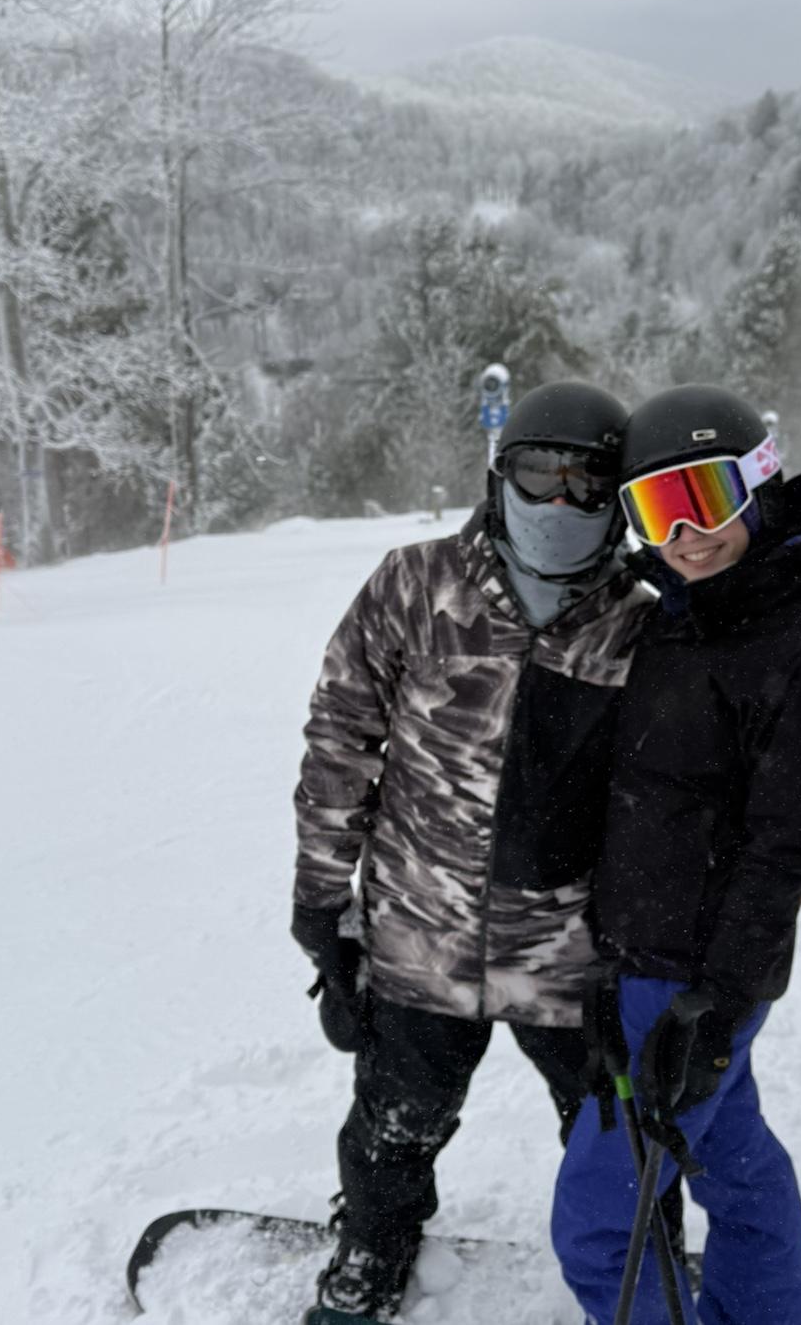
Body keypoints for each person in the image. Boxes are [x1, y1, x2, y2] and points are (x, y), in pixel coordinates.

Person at [291, 381, 654, 1322]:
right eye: (539, 473)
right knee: (394, 1121)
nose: (561, 500)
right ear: (499, 477)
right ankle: (374, 1245)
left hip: (571, 954)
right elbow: (340, 742)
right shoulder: (417, 587)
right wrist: (320, 901)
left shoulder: (641, 622)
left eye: (588, 481)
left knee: (612, 1132)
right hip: (421, 933)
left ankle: (634, 1270)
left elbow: (673, 800)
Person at [551, 384, 801, 1325]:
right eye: (660, 510)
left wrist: (717, 1007)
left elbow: (783, 849)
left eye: (706, 497)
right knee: (733, 1158)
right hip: (644, 961)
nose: (688, 534)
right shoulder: (680, 616)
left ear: (759, 486)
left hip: (697, 978)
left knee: (599, 1226)